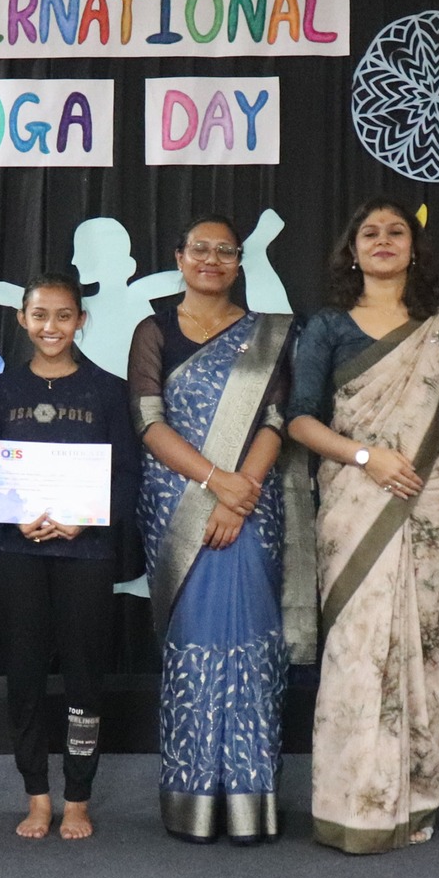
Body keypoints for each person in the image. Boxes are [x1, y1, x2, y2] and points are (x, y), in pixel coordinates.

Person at [288, 199, 439, 854]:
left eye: (395, 231)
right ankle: (354, 806)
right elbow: (300, 420)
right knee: (356, 655)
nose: (382, 240)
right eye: (369, 233)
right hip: (356, 505)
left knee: (428, 656)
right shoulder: (328, 327)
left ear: (414, 248)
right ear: (351, 251)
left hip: (434, 509)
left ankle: (415, 799)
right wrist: (365, 457)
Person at [129, 214, 295, 844]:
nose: (212, 259)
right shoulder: (153, 331)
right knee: (194, 646)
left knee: (252, 644)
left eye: (226, 250)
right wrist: (214, 482)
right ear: (179, 257)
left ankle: (252, 800)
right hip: (180, 510)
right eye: (200, 248)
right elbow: (149, 421)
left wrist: (239, 494)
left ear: (239, 263)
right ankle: (192, 799)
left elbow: (276, 420)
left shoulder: (267, 333)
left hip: (250, 507)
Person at [0, 275, 140, 841]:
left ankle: (78, 797)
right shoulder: (1, 392)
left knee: (85, 676)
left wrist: (89, 517)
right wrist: (12, 513)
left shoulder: (108, 391)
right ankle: (37, 795)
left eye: (64, 316)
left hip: (86, 552)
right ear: (22, 319)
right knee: (25, 674)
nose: (51, 327)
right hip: (17, 550)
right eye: (40, 315)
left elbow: (128, 474)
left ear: (81, 321)